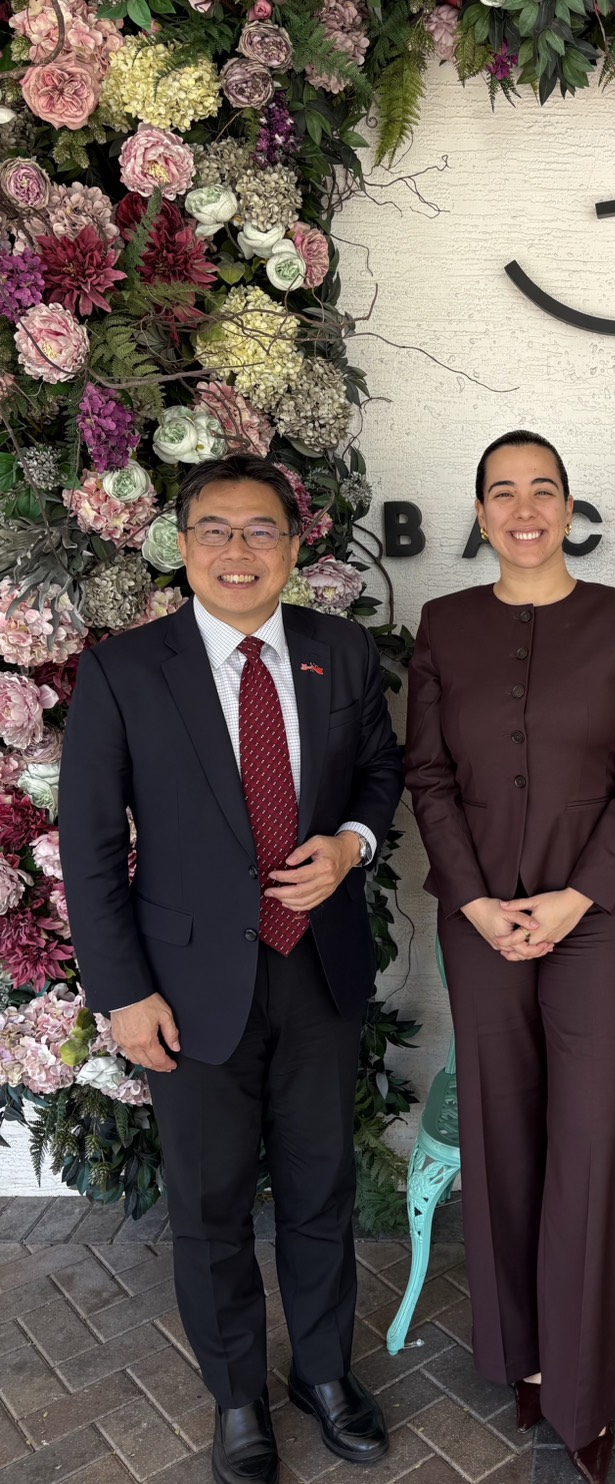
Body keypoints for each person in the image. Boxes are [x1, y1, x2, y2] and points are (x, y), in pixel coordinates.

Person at [60, 455, 404, 1484]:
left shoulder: (340, 651)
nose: (238, 550)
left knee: (320, 1185)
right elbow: (88, 845)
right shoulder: (126, 671)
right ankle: (238, 1396)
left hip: (317, 969)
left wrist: (351, 844)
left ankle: (324, 1374)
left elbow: (381, 771)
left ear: (293, 548)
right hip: (186, 987)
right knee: (210, 1205)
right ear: (182, 546)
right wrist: (123, 993)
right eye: (216, 529)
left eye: (261, 530)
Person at [405, 430, 615, 1484]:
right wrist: (476, 902)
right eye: (503, 492)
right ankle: (523, 1354)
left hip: (597, 920)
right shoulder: (444, 625)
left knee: (590, 1142)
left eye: (544, 489)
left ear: (569, 507)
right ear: (481, 513)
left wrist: (570, 898)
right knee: (502, 1132)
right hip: (480, 921)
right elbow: (428, 775)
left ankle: (583, 1386)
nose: (525, 508)